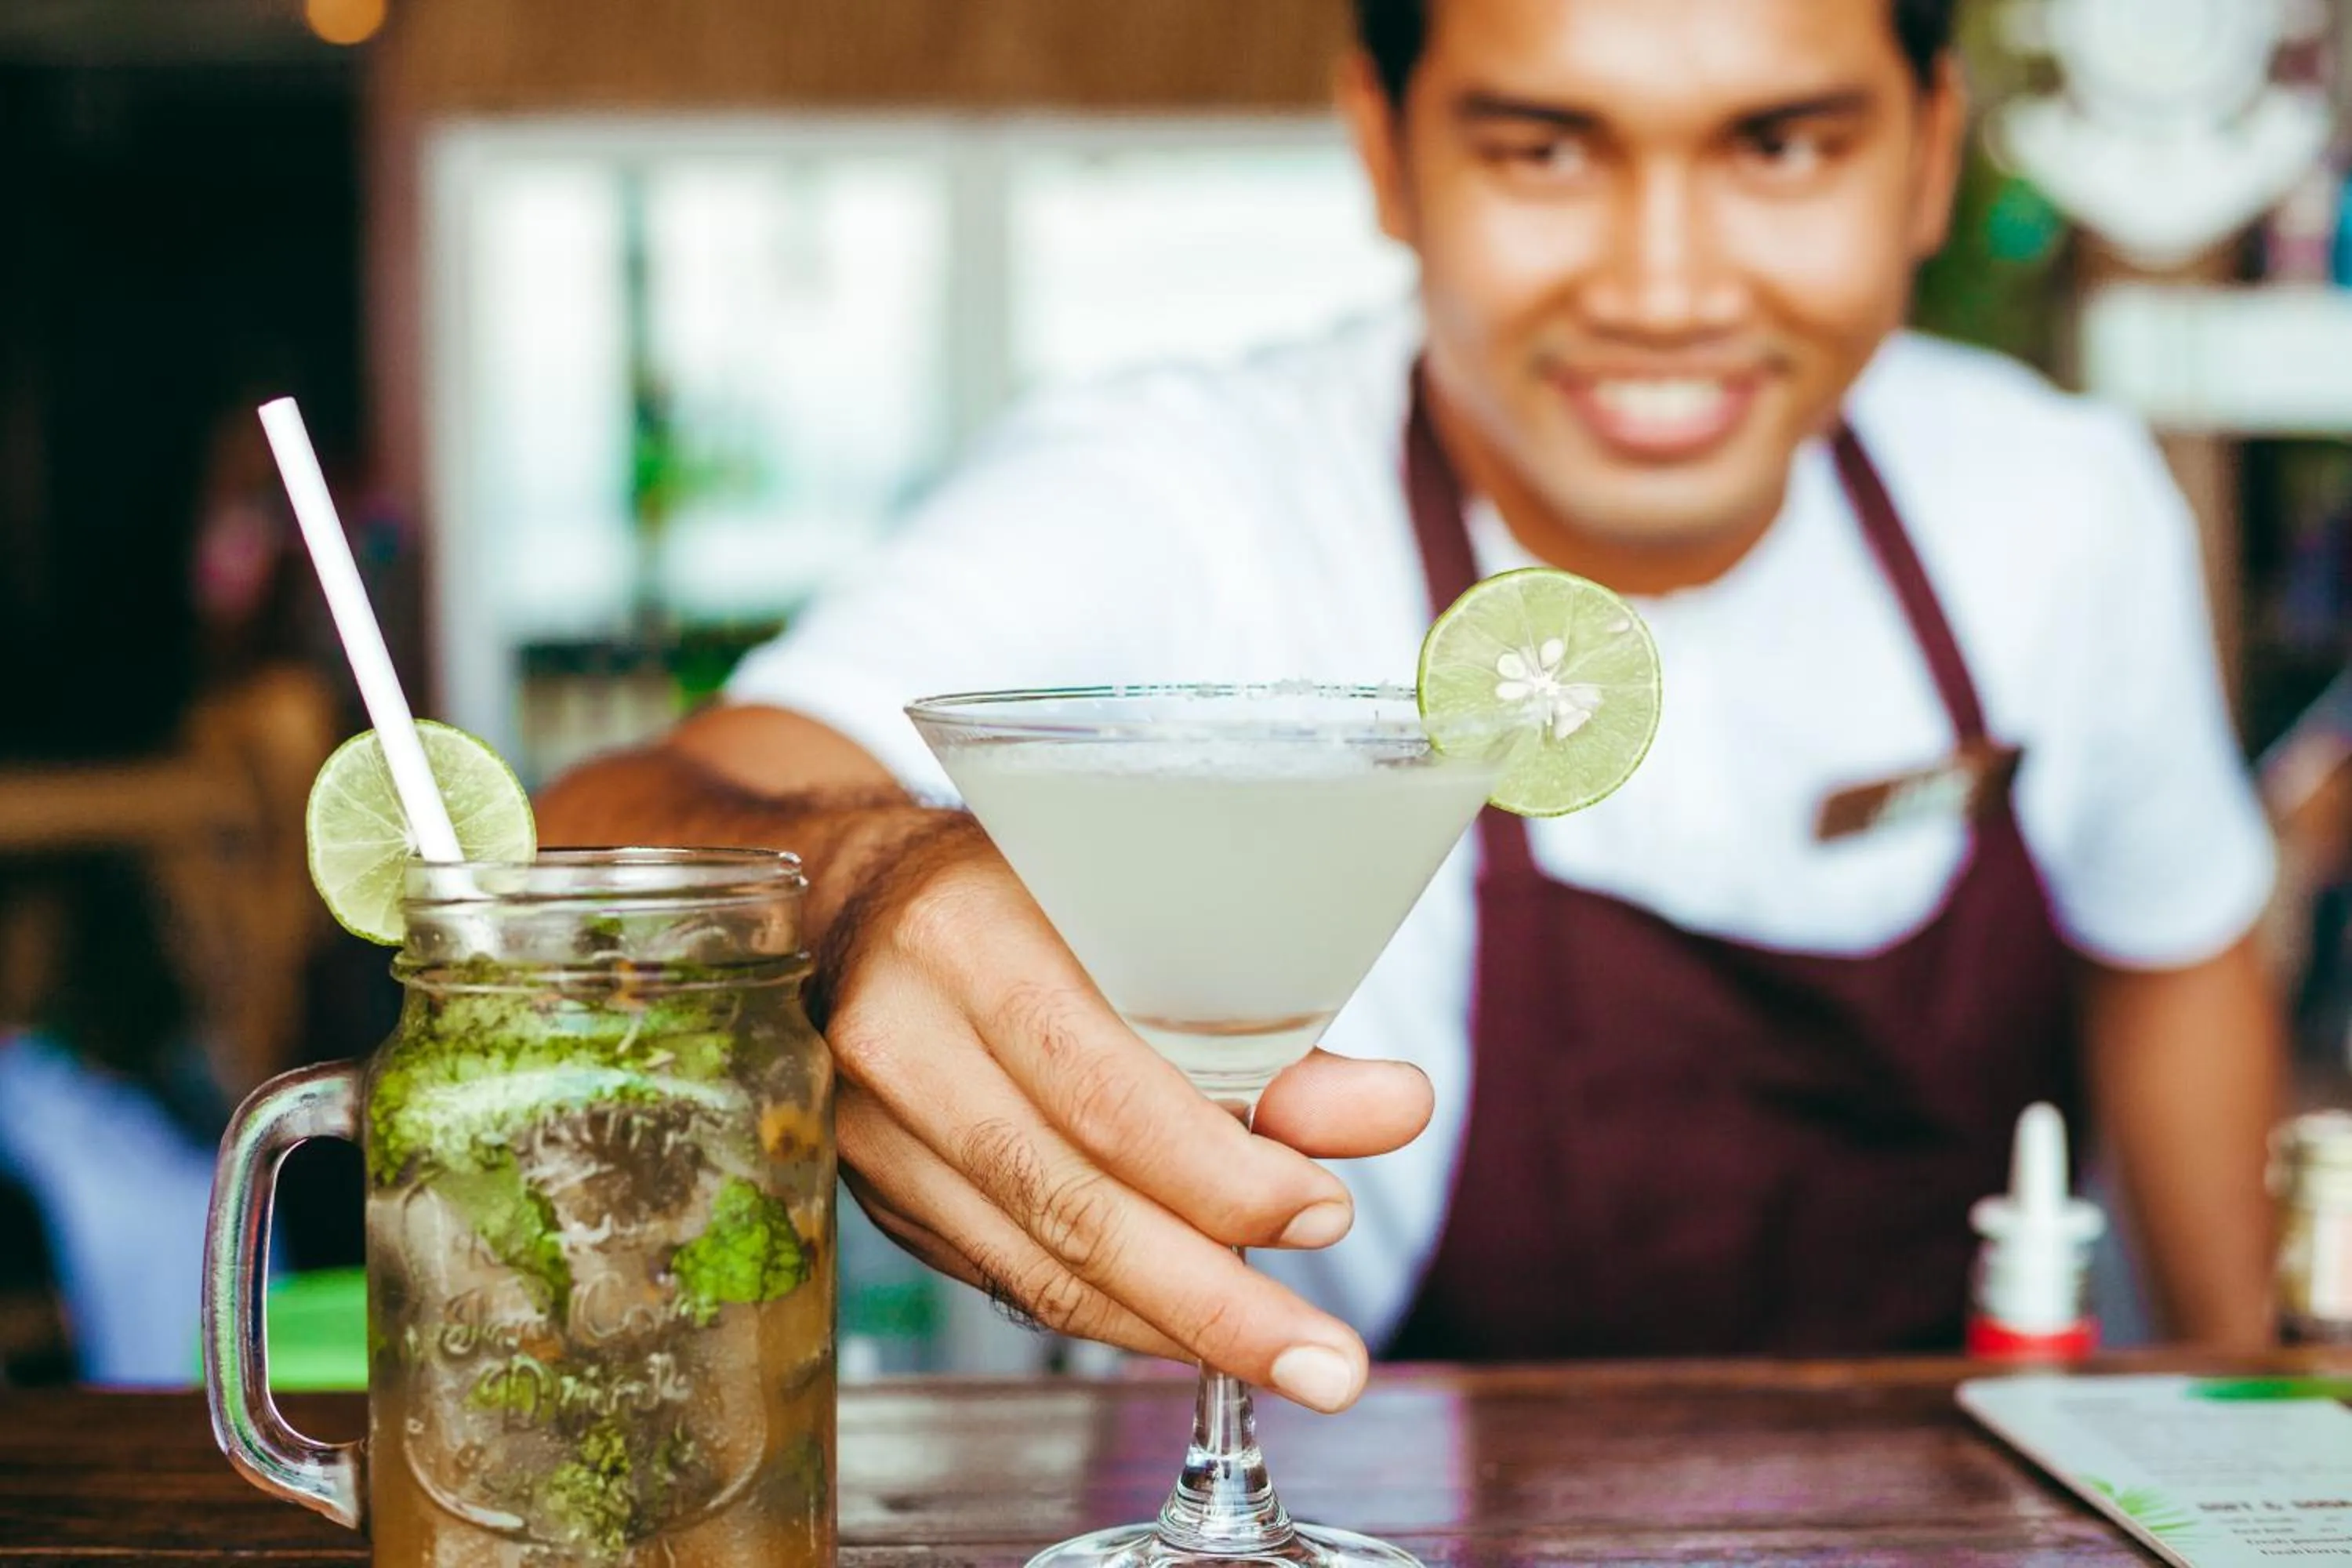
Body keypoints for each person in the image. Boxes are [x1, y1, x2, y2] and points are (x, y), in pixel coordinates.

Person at [538, 0, 2285, 1410]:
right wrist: (858, 894)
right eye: (1544, 149)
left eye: (1781, 145)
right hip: (1342, 1495)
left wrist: (2252, 1431)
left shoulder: (2061, 508)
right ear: (1385, 150)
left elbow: (2175, 961)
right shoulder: (1185, 488)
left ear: (1925, 153)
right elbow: (619, 808)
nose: (1667, 286)